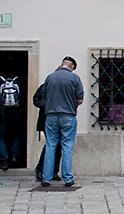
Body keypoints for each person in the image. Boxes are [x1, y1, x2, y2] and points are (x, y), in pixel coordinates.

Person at [41, 56, 84, 187]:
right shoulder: (75, 78)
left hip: (51, 115)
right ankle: (67, 178)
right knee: (67, 146)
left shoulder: (50, 77)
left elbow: (43, 96)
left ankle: (46, 178)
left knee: (50, 146)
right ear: (72, 67)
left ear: (62, 64)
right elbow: (80, 99)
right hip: (68, 116)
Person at [33, 78, 61, 181]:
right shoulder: (45, 87)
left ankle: (54, 171)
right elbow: (36, 100)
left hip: (58, 119)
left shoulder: (62, 87)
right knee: (51, 144)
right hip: (46, 119)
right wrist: (48, 104)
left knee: (58, 146)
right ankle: (41, 169)